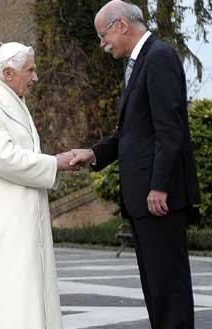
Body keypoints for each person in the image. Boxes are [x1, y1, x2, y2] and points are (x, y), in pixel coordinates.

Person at [68, 1, 201, 328]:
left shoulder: (159, 57)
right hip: (145, 201)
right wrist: (94, 153)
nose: (102, 44)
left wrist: (158, 186)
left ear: (121, 25)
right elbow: (132, 133)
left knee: (168, 288)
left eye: (103, 36)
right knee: (156, 288)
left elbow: (169, 131)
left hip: (159, 199)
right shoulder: (139, 63)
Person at [0, 42, 74, 329]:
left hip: (18, 224)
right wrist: (55, 163)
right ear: (8, 72)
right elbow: (3, 158)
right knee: (2, 304)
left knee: (24, 299)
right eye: (29, 70)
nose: (35, 77)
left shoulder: (12, 102)